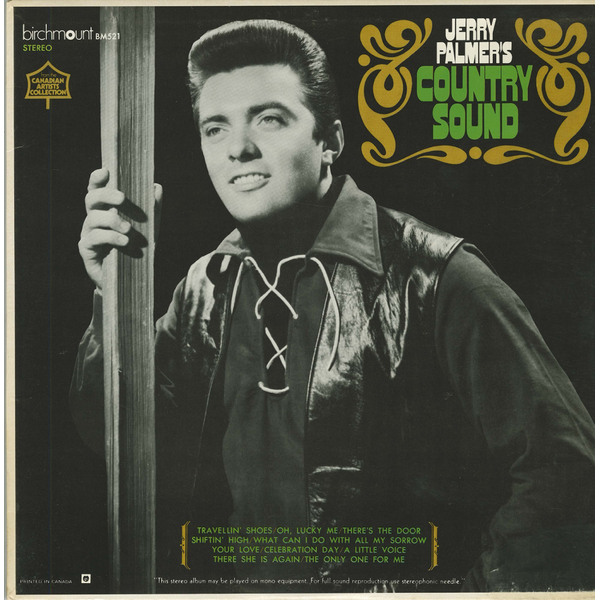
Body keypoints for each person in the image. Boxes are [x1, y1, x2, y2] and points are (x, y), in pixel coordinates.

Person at [71, 19, 594, 593]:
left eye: (269, 118)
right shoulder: (205, 286)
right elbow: (121, 441)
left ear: (331, 142)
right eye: (215, 128)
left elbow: (567, 473)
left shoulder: (437, 277)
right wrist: (111, 295)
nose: (238, 148)